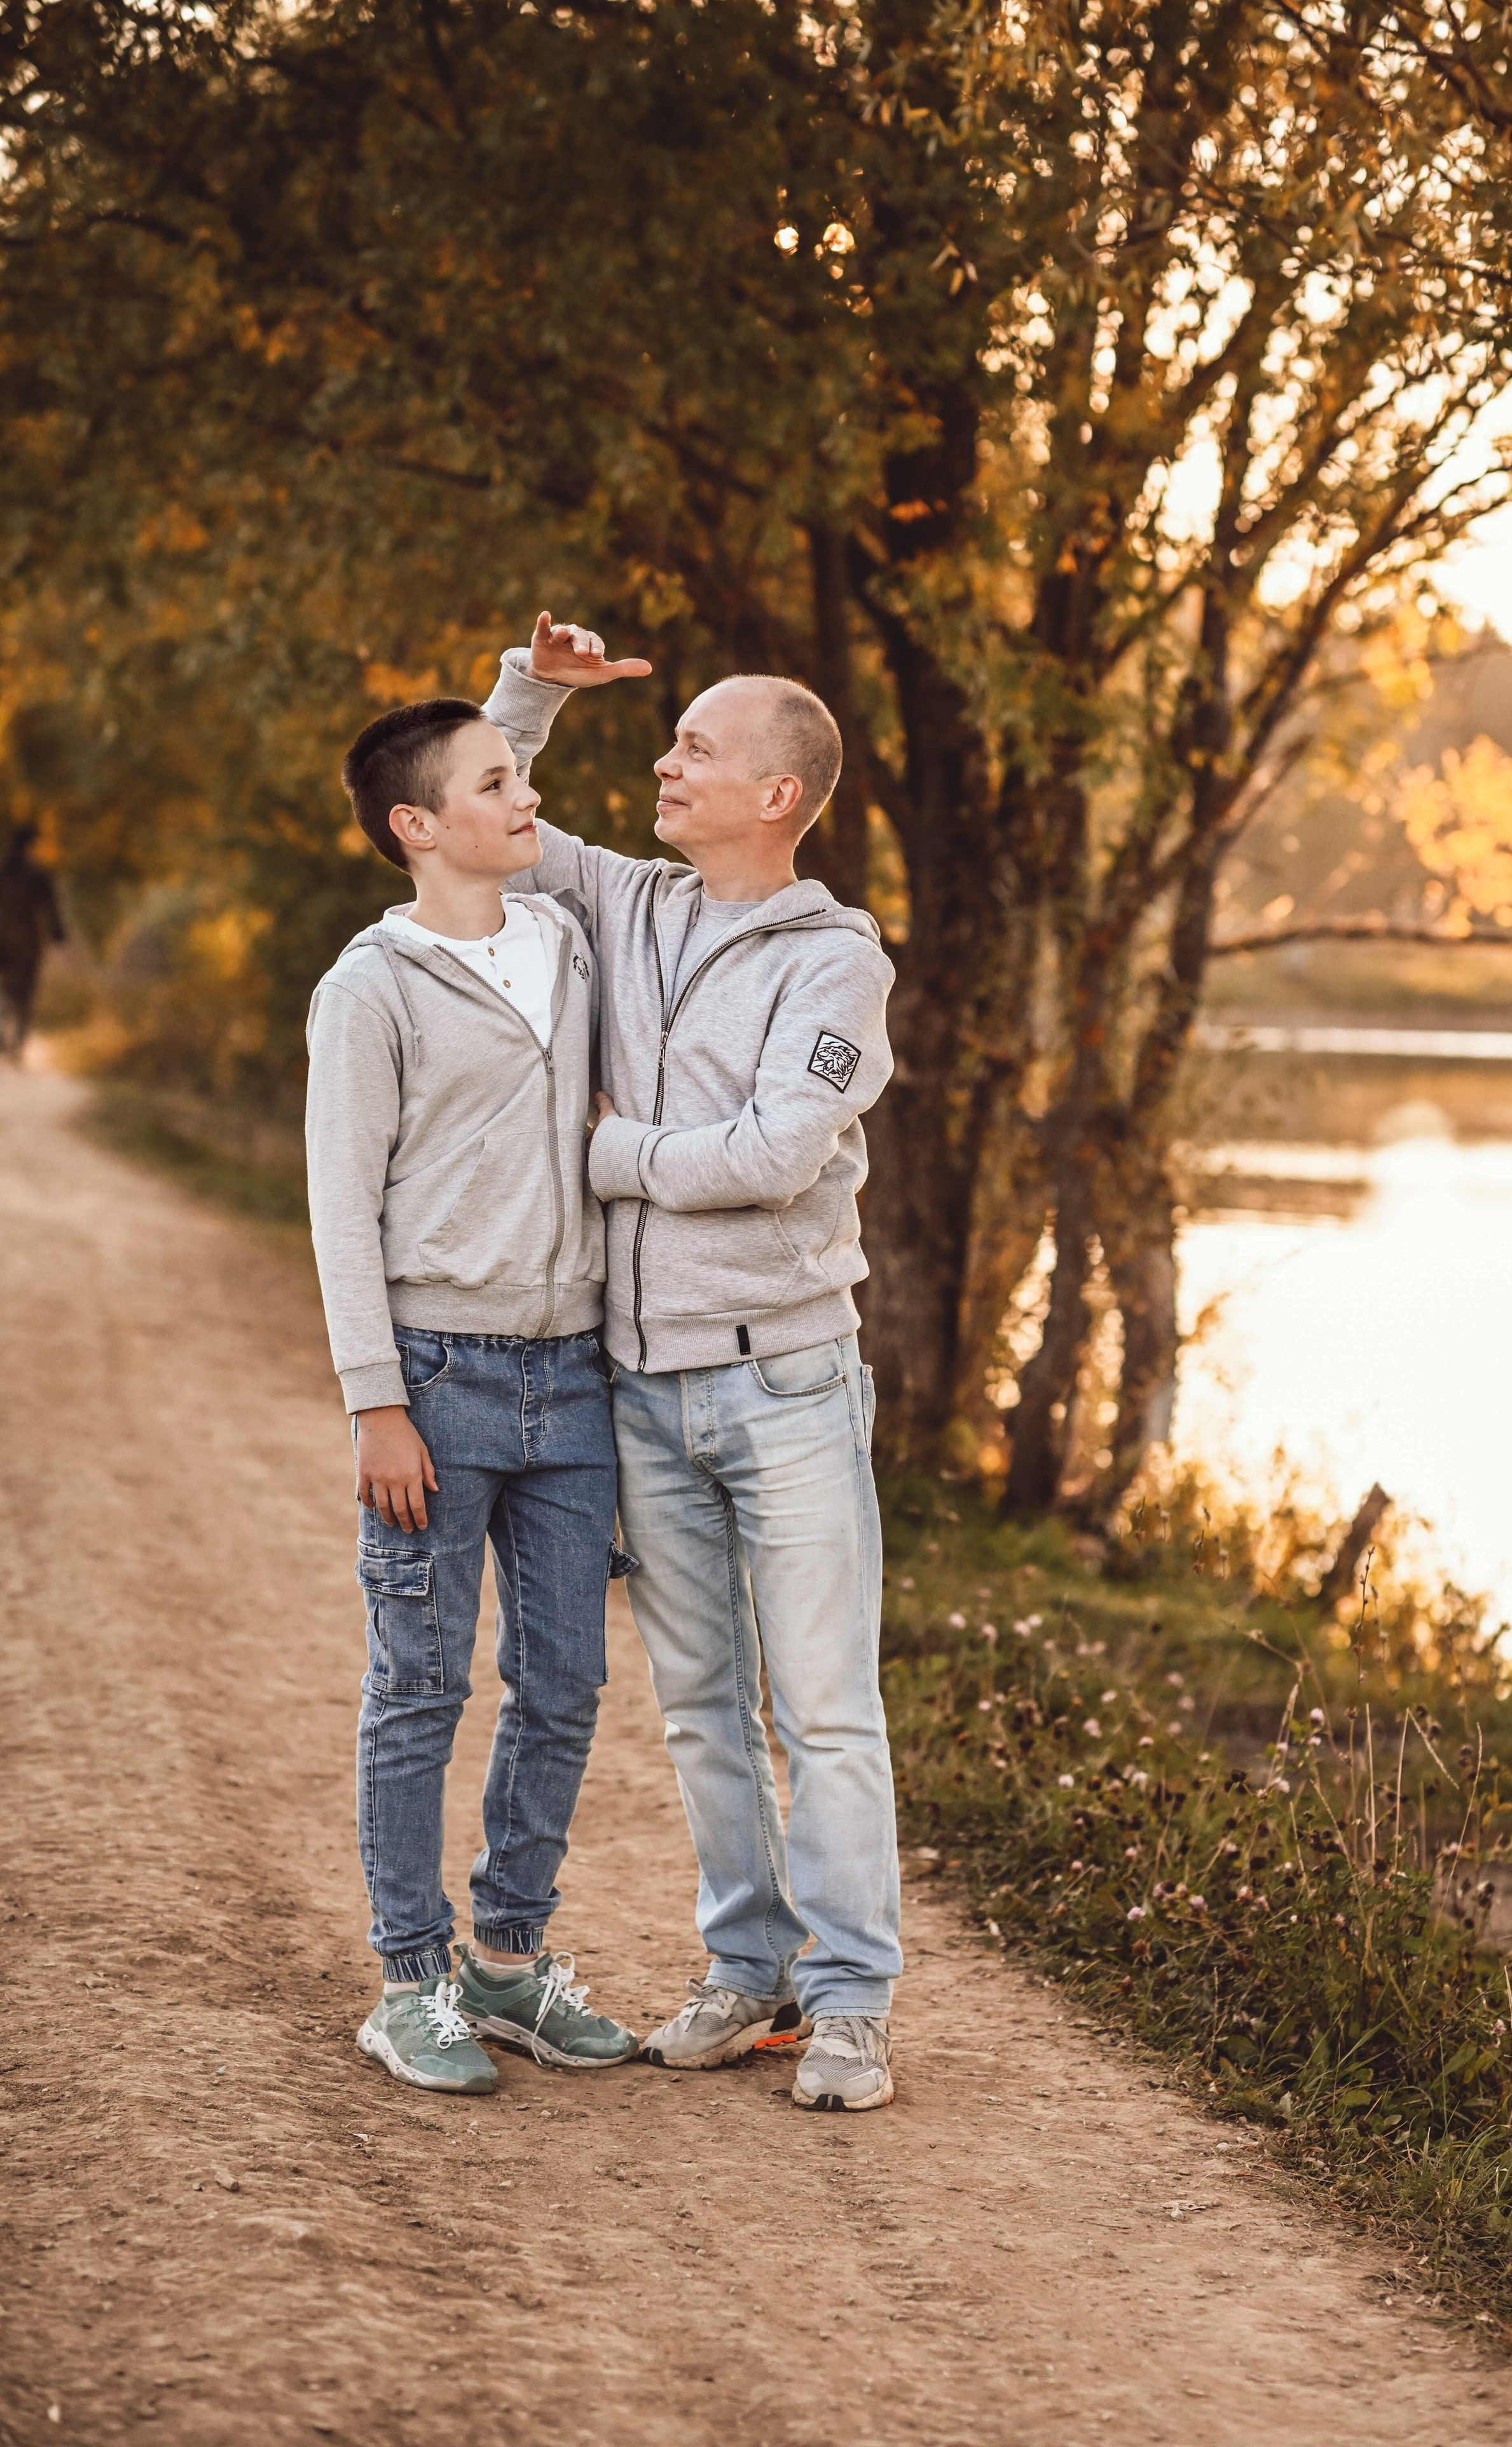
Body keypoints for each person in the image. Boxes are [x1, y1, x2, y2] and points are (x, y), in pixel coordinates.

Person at [485, 614, 903, 2113]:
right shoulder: (626, 902)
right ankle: (753, 1971)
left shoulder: (836, 960)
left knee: (825, 1708)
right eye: (672, 741)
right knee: (703, 1707)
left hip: (786, 1379)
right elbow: (487, 810)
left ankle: (851, 2001)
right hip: (643, 1389)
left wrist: (606, 1152)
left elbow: (782, 1156)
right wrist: (530, 686)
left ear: (777, 794)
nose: (665, 761)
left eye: (697, 748)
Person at [305, 645, 649, 2093]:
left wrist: (530, 691)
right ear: (414, 829)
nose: (528, 799)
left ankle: (506, 1960)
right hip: (436, 1379)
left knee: (563, 1679)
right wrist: (375, 1399)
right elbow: (338, 1198)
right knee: (420, 1683)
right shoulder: (370, 986)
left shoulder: (563, 944)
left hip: (572, 1382)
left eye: (523, 777)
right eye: (497, 785)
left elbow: (483, 771)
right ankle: (409, 1976)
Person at [0, 820, 66, 1057]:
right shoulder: (38, 876)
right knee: (25, 994)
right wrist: (58, 935)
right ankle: (16, 1044)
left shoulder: (3, 871)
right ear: (32, 845)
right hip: (26, 941)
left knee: (4, 990)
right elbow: (51, 910)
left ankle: (3, 1034)